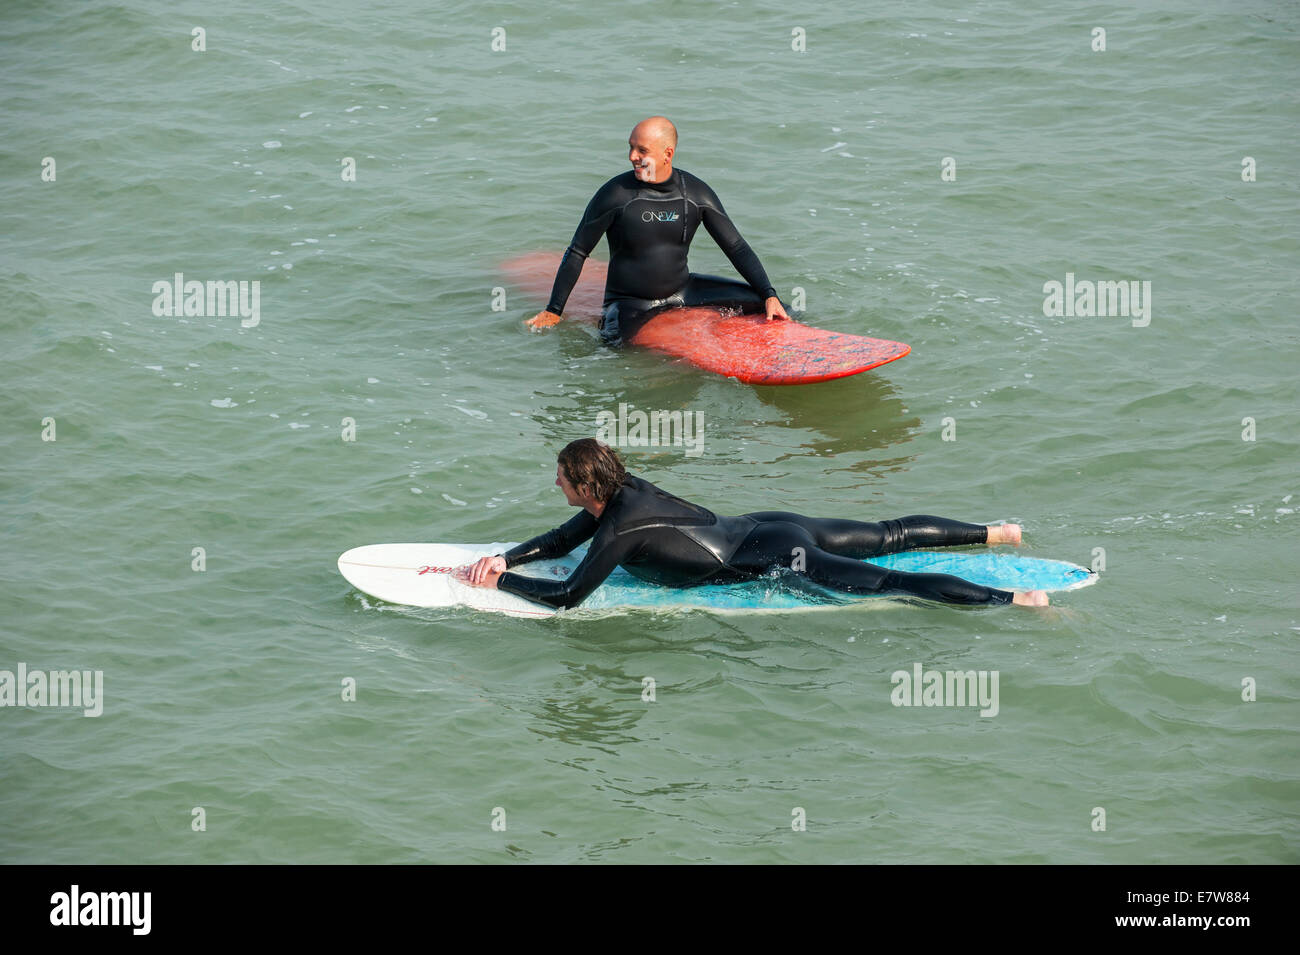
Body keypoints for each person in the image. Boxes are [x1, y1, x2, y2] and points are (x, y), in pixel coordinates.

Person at [455, 439, 1049, 611]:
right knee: (889, 535)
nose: (554, 486)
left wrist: (498, 583)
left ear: (587, 486)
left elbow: (566, 596)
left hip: (778, 559)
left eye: (560, 479)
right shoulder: (625, 490)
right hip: (771, 522)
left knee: (892, 582)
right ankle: (996, 533)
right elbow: (564, 537)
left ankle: (1014, 598)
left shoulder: (617, 531)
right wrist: (509, 557)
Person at [525, 116, 792, 345]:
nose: (632, 157)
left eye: (642, 150)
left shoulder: (695, 194)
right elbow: (578, 252)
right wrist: (554, 310)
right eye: (631, 148)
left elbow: (736, 247)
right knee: (616, 350)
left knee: (774, 305)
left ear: (667, 154)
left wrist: (769, 294)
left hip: (683, 291)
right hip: (629, 302)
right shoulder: (615, 195)